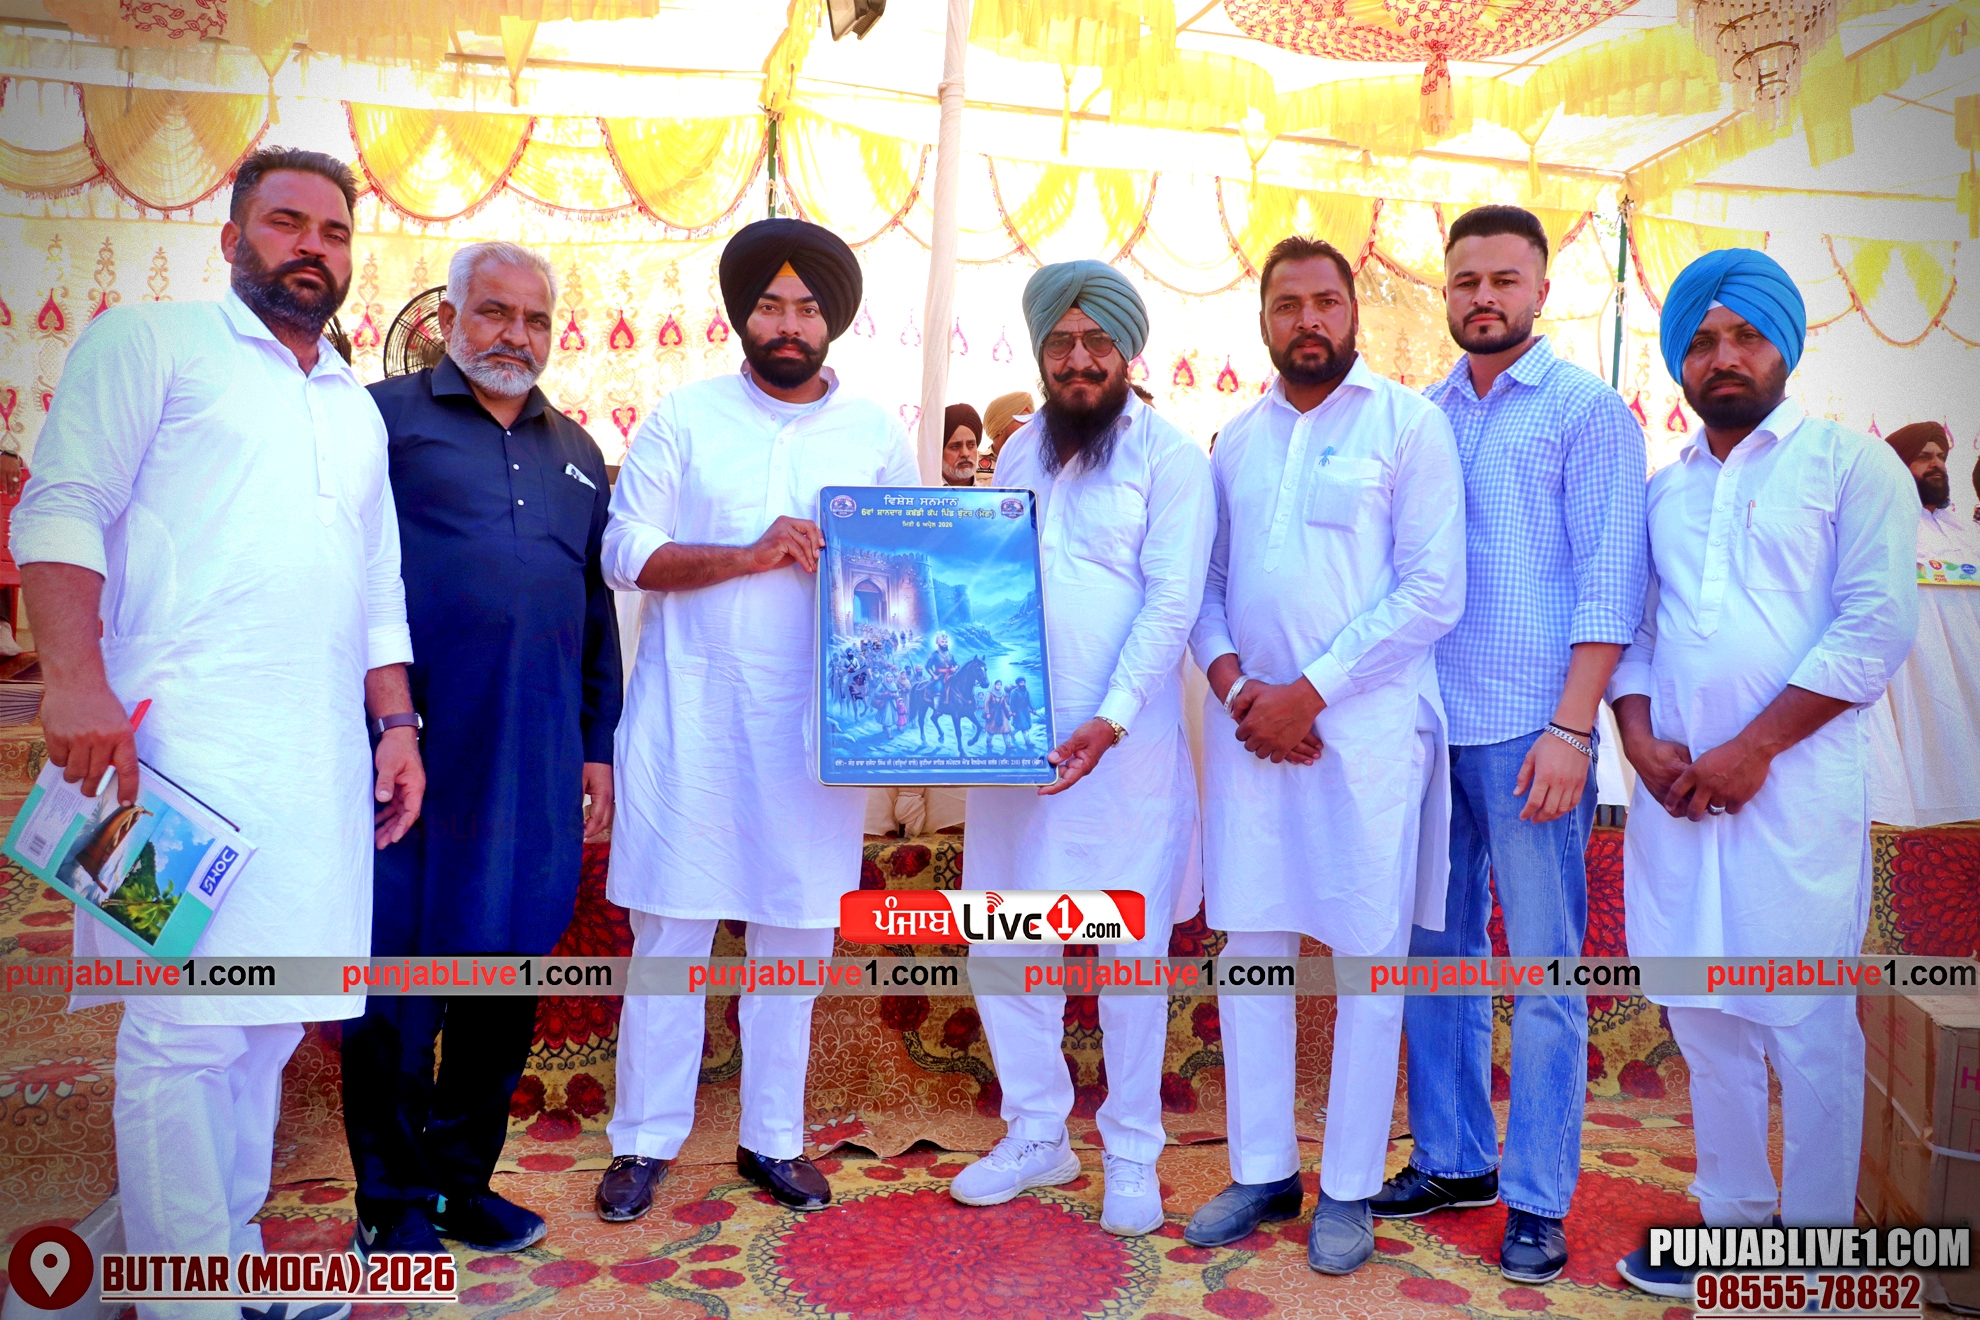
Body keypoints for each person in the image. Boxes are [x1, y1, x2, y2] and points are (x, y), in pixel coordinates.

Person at [13, 145, 422, 1319]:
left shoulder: (352, 406)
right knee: (184, 1032)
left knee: (275, 1019)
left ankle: (228, 1263)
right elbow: (62, 505)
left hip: (316, 764)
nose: (312, 248)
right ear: (234, 237)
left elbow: (377, 586)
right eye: (287, 223)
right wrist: (73, 684)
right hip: (163, 756)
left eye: (333, 232)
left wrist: (396, 724)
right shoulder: (150, 343)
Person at [597, 218, 918, 1221]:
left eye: (807, 309)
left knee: (794, 938)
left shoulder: (874, 434)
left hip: (812, 731)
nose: (788, 325)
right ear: (743, 315)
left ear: (832, 322)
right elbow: (623, 551)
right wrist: (751, 553)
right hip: (690, 720)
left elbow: (908, 581)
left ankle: (773, 1138)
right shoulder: (685, 417)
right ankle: (643, 1141)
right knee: (671, 940)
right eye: (770, 306)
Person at [1611, 249, 1917, 1295]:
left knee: (1807, 1029)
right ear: (1679, 364)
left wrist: (1755, 750)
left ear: (1785, 345)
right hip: (1678, 801)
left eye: (1745, 336)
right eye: (1701, 342)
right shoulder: (1663, 493)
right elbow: (1638, 633)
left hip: (1794, 797)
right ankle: (1732, 1224)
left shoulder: (1849, 466)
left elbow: (1876, 628)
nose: (1724, 357)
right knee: (1705, 1022)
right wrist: (1638, 738)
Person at [1378, 205, 1648, 1285]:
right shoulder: (1422, 415)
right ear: (1444, 292)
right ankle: (1454, 1160)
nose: (1483, 297)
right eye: (1466, 281)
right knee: (1433, 960)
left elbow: (1612, 576)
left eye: (1503, 280)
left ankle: (1537, 1197)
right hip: (1431, 727)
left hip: (1537, 734)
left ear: (1541, 290)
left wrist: (1574, 727)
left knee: (1543, 975)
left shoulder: (1587, 411)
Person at [1185, 237, 1465, 1272]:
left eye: (1325, 302)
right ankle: (1263, 1170)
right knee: (1252, 954)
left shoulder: (1409, 426)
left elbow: (1433, 590)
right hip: (1250, 734)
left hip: (1366, 737)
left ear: (1354, 311)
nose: (1308, 320)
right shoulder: (1236, 440)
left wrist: (1308, 694)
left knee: (1365, 963)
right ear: (1263, 320)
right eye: (1287, 304)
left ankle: (1347, 1186)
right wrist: (1240, 692)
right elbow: (1207, 588)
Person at [343, 241, 622, 1256]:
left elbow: (593, 610)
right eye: (495, 312)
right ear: (450, 318)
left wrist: (596, 743)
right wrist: (386, 721)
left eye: (535, 318)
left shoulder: (577, 452)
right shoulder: (379, 420)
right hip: (412, 756)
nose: (516, 335)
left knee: (505, 977)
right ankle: (392, 1200)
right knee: (399, 984)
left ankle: (463, 1184)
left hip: (535, 763)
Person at [950, 261, 1214, 1236]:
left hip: (1124, 754)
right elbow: (985, 584)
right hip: (1012, 750)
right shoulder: (1018, 450)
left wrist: (1111, 715)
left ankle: (1133, 1152)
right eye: (1060, 343)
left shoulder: (1171, 459)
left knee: (1126, 953)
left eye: (1097, 341)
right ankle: (1037, 1134)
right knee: (1005, 939)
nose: (1078, 360)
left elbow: (1173, 601)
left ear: (1127, 350)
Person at [1867, 421, 1980, 826]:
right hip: (1915, 677)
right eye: (1924, 456)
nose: (1937, 465)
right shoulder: (1881, 525)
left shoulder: (1966, 535)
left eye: (1942, 457)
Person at [980, 390, 1037, 483]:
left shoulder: (1035, 464)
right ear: (1000, 426)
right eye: (1022, 418)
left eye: (1030, 420)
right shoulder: (972, 463)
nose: (1028, 425)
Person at [943, 403, 984, 487]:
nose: (965, 453)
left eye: (971, 445)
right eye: (955, 447)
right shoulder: (921, 492)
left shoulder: (988, 494)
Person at [1008, 675, 1037, 746]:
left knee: (1022, 726)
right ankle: (1027, 741)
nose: (1023, 684)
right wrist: (1013, 711)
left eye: (1024, 682)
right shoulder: (1014, 692)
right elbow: (1012, 702)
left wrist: (1033, 709)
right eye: (1021, 682)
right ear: (1018, 683)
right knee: (1024, 727)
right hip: (1018, 711)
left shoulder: (1026, 691)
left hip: (1026, 711)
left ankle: (1012, 733)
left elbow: (1029, 700)